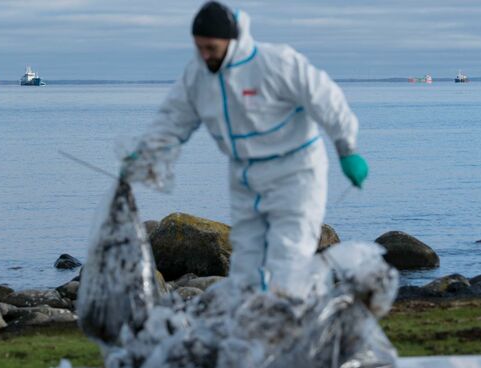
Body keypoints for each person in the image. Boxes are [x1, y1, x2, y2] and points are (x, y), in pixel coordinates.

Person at [122, 1, 368, 290]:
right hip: (245, 176)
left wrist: (347, 148)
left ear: (231, 40)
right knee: (248, 263)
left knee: (288, 256)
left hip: (295, 172)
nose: (204, 55)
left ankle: (293, 322)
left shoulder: (275, 63)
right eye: (199, 47)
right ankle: (260, 323)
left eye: (210, 48)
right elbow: (173, 119)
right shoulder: (197, 77)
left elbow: (326, 100)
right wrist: (147, 151)